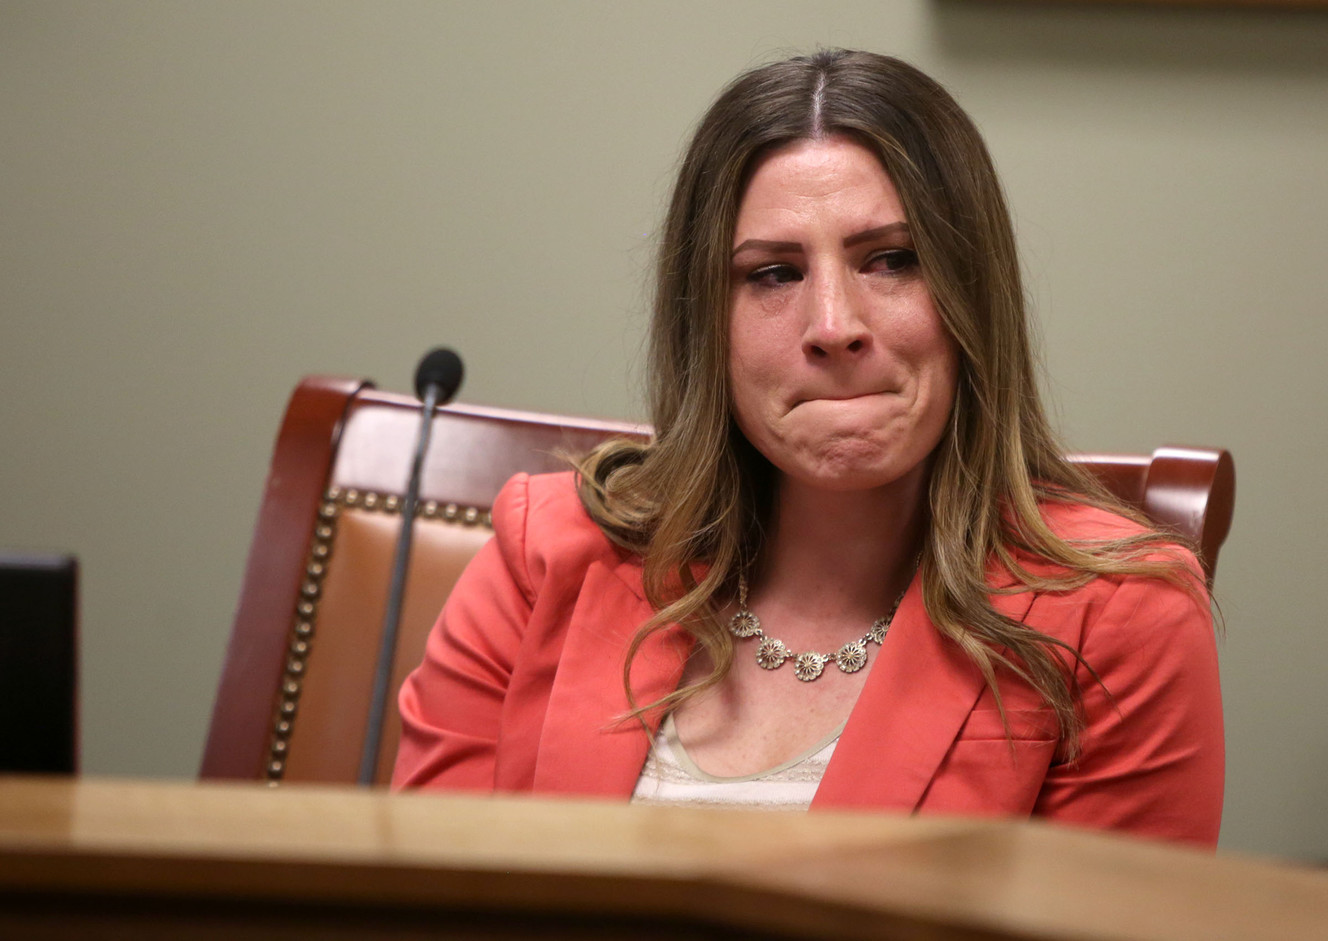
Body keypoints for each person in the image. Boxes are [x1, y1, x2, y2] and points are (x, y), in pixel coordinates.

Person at [392, 49, 1223, 848]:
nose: (834, 326)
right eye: (772, 274)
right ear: (704, 325)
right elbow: (425, 905)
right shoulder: (543, 556)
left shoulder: (1120, 617)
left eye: (892, 261)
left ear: (974, 295)